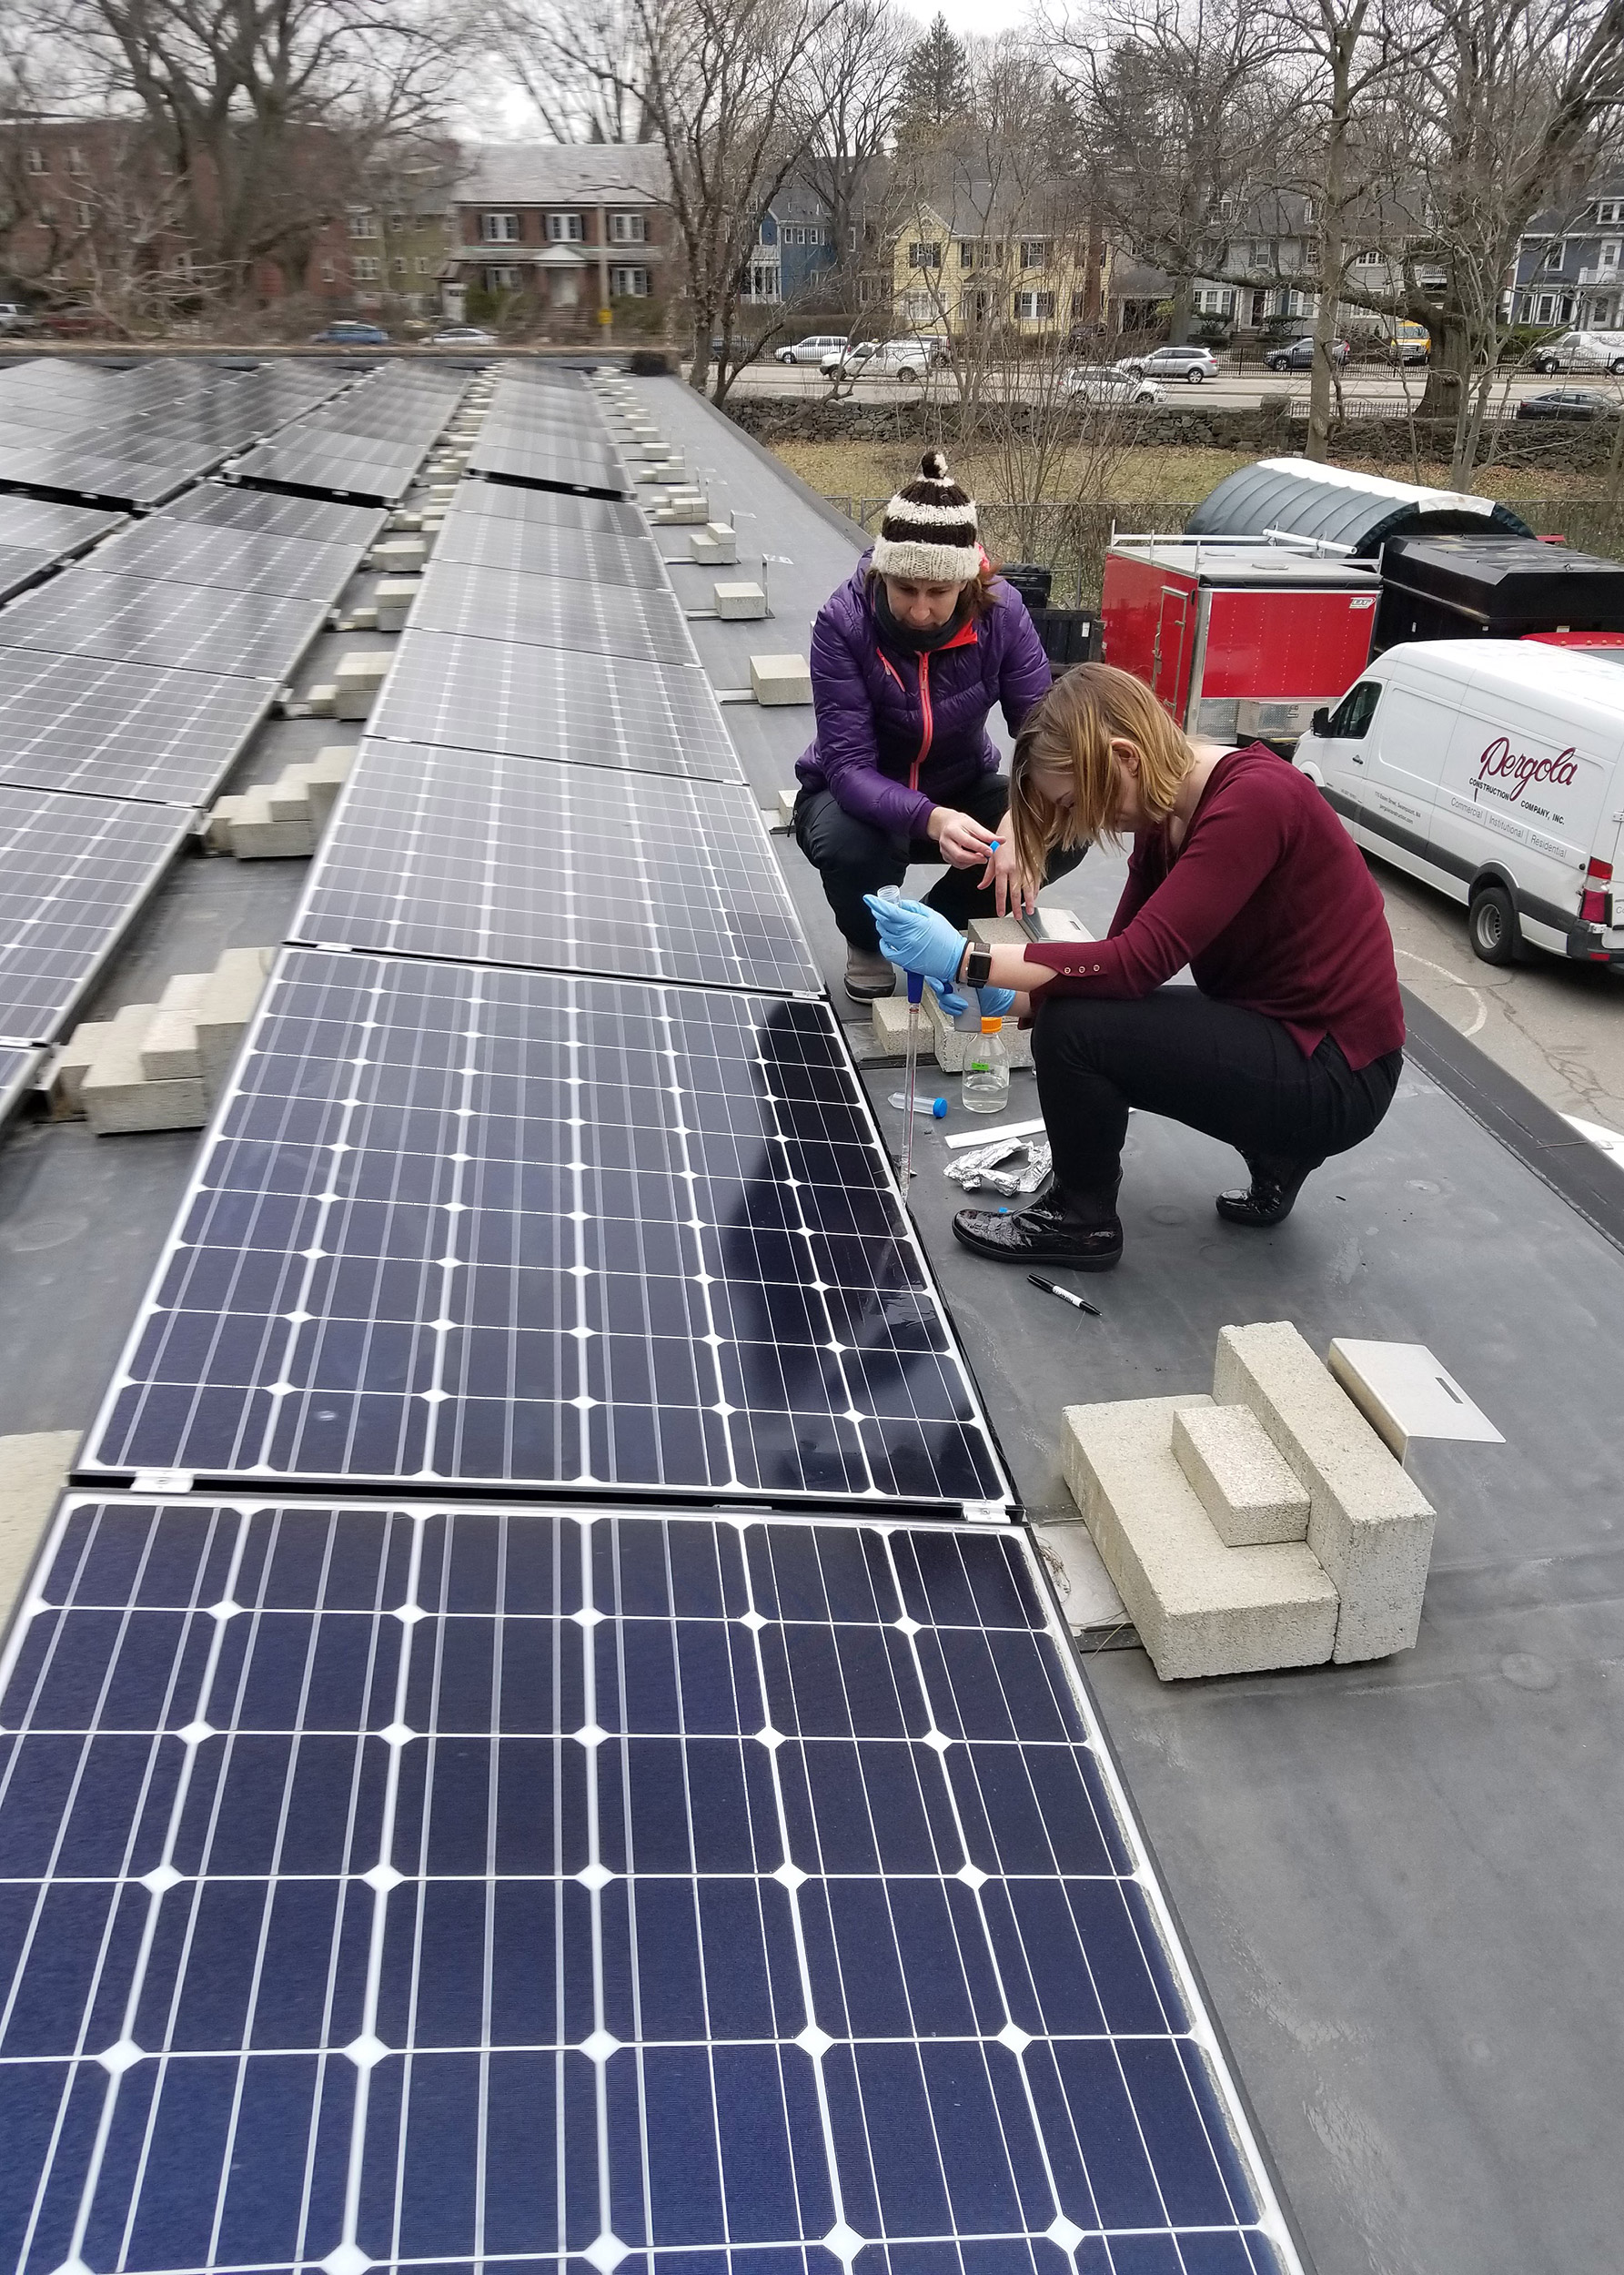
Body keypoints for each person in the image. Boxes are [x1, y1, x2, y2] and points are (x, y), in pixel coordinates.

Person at [867, 662, 1406, 1270]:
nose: (1088, 823)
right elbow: (1108, 972)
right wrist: (999, 1001)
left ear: (1122, 755)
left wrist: (969, 960)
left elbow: (1132, 966)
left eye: (1077, 802)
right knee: (1073, 1015)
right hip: (1285, 1038)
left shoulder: (1256, 799)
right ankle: (1277, 1150)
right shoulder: (1166, 818)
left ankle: (1080, 1222)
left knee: (1075, 1032)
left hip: (1338, 1075)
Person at [793, 450, 1083, 1004]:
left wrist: (1023, 820)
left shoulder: (1004, 616)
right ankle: (870, 940)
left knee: (1069, 826)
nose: (921, 610)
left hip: (961, 781)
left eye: (938, 593)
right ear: (882, 573)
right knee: (850, 845)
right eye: (905, 590)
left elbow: (1043, 735)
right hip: (858, 794)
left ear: (967, 585)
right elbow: (848, 766)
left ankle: (936, 928)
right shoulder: (842, 624)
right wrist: (931, 818)